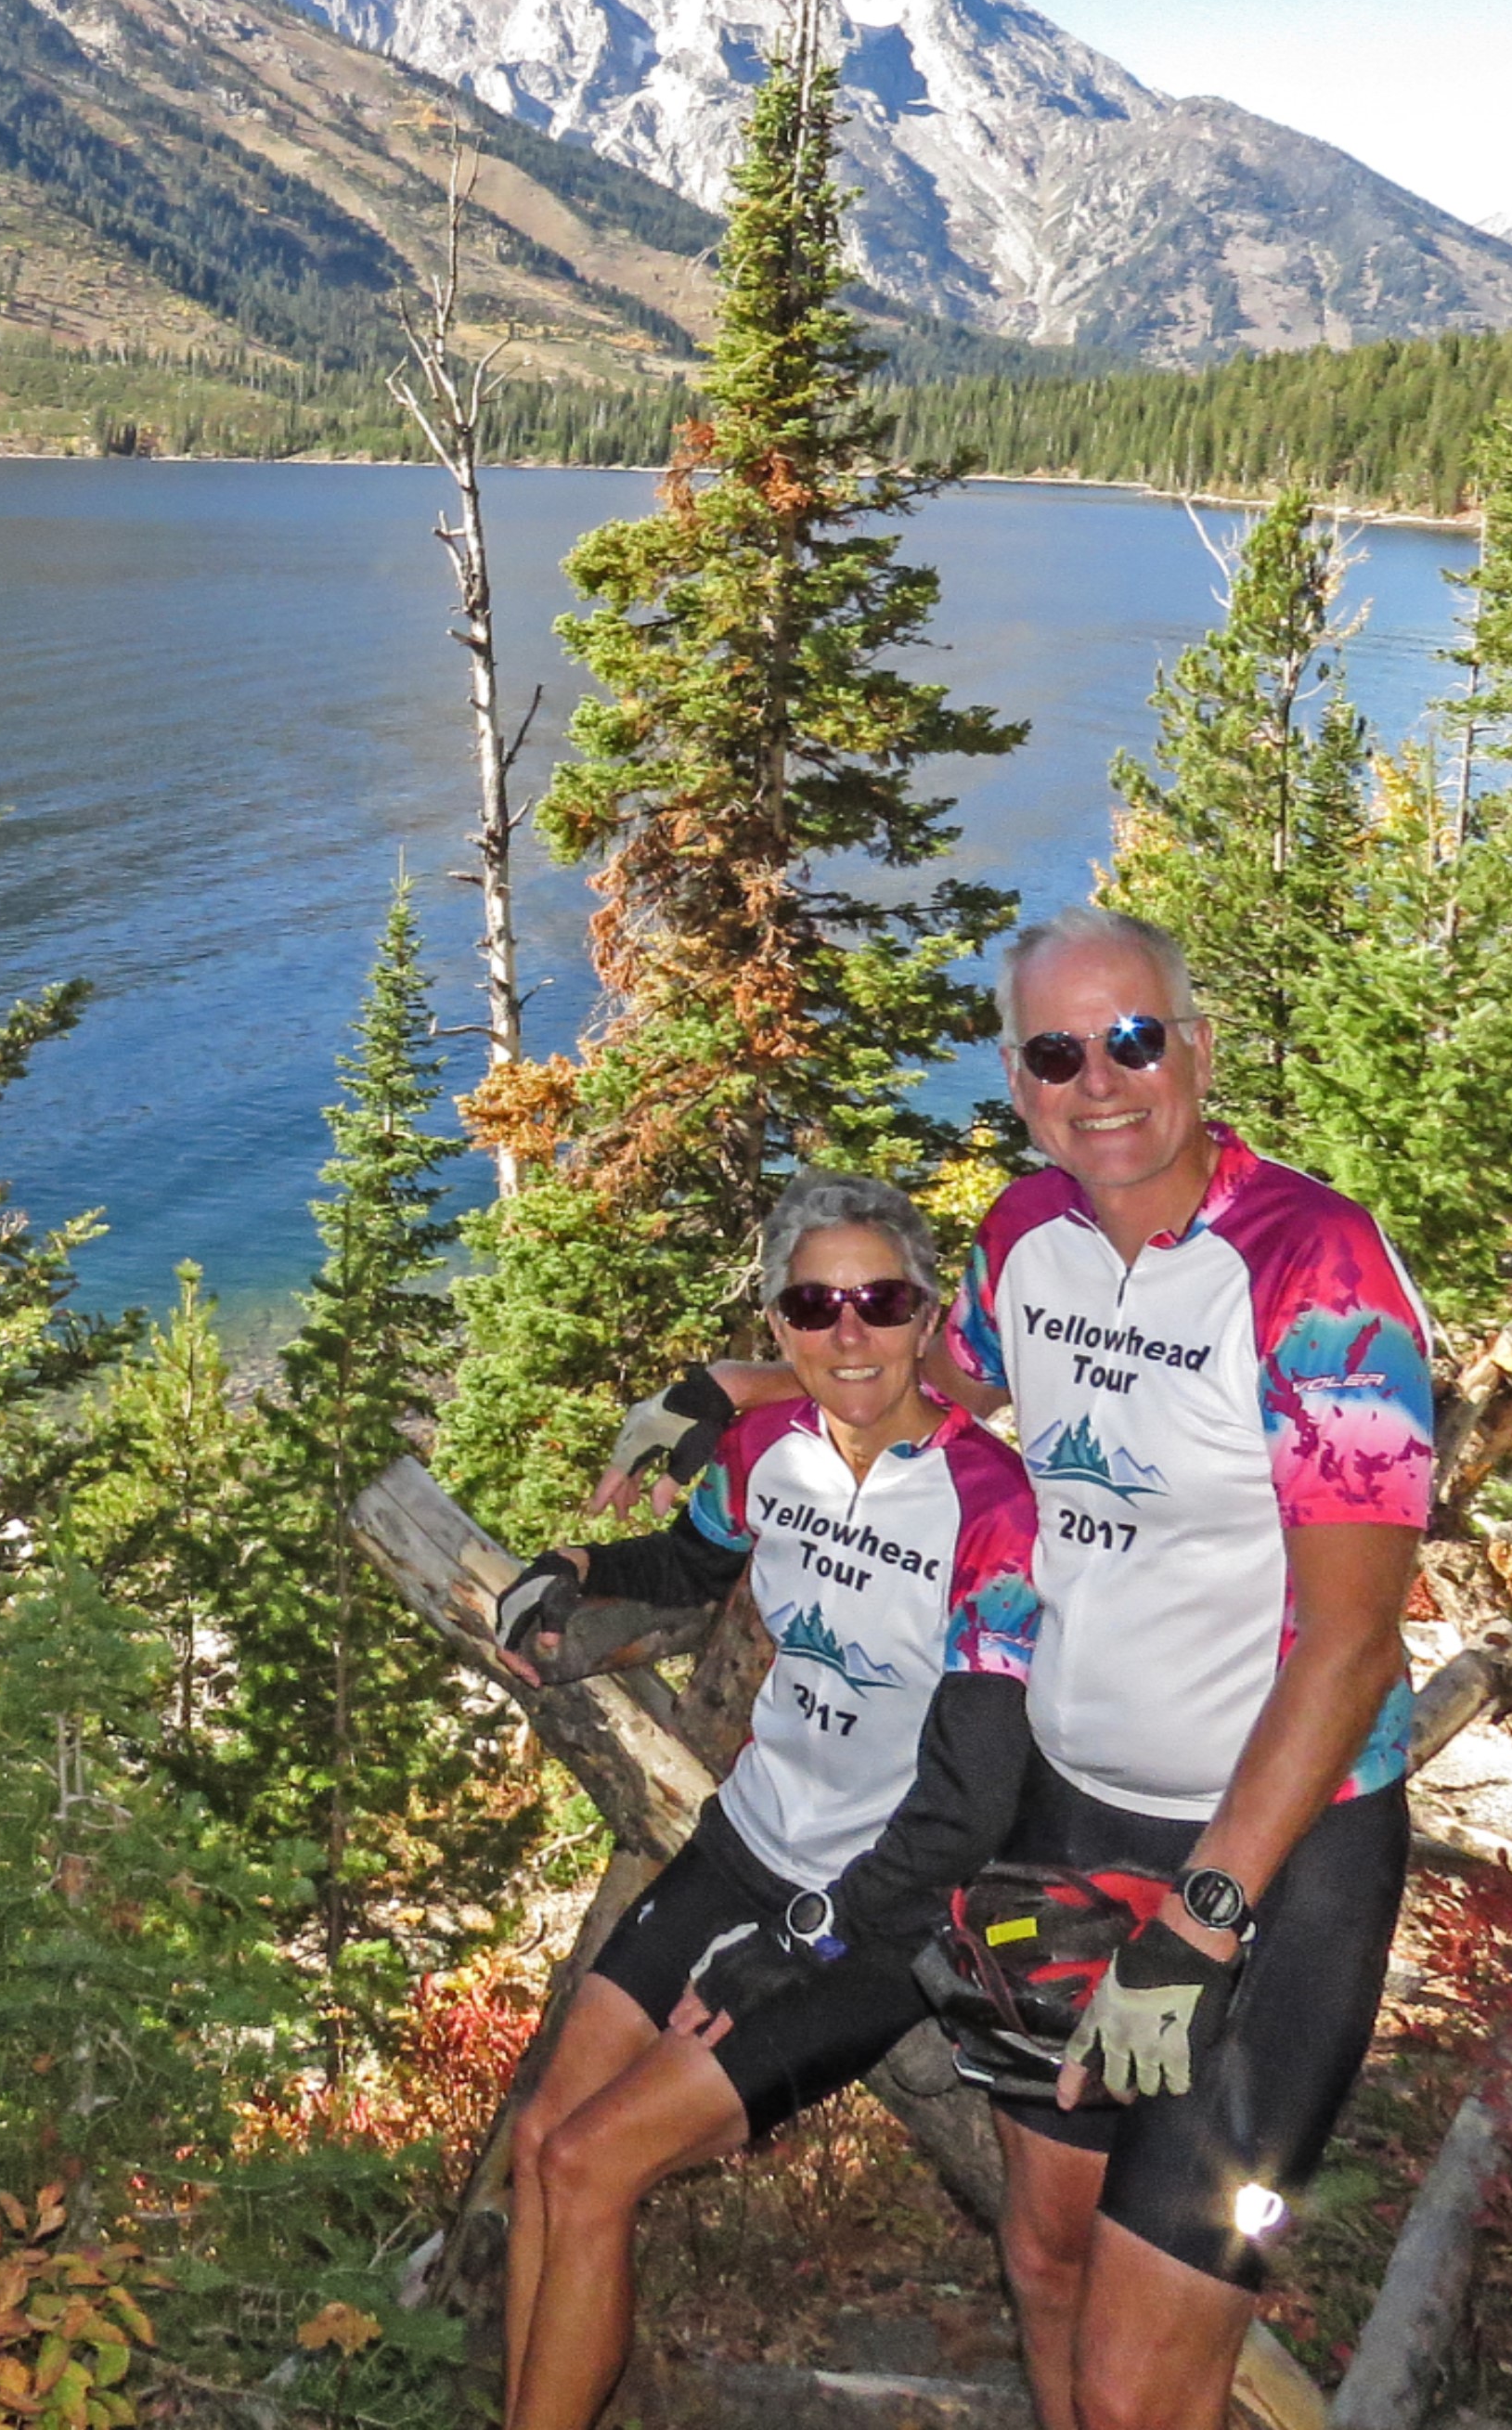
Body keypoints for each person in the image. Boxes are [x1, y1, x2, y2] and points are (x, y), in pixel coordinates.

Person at [586, 908, 1435, 2430]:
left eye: (1133, 1040)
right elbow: (936, 1386)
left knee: (1138, 2381)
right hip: (1069, 1820)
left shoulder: (1318, 1266)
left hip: (1278, 1859)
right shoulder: (1025, 1234)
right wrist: (739, 1384)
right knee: (1044, 2260)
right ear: (1018, 1080)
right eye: (1057, 1053)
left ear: (1197, 1050)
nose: (1099, 1082)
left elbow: (1356, 1639)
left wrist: (1205, 1921)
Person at [489, 1174, 1042, 2430]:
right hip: (746, 1845)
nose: (849, 1334)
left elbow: (972, 1804)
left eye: (881, 1302)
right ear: (779, 1325)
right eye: (813, 1306)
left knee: (589, 2166)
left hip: (881, 1915)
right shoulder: (765, 1450)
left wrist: (803, 1944)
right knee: (542, 2144)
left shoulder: (996, 1514)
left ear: (928, 1316)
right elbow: (693, 1557)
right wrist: (574, 1566)